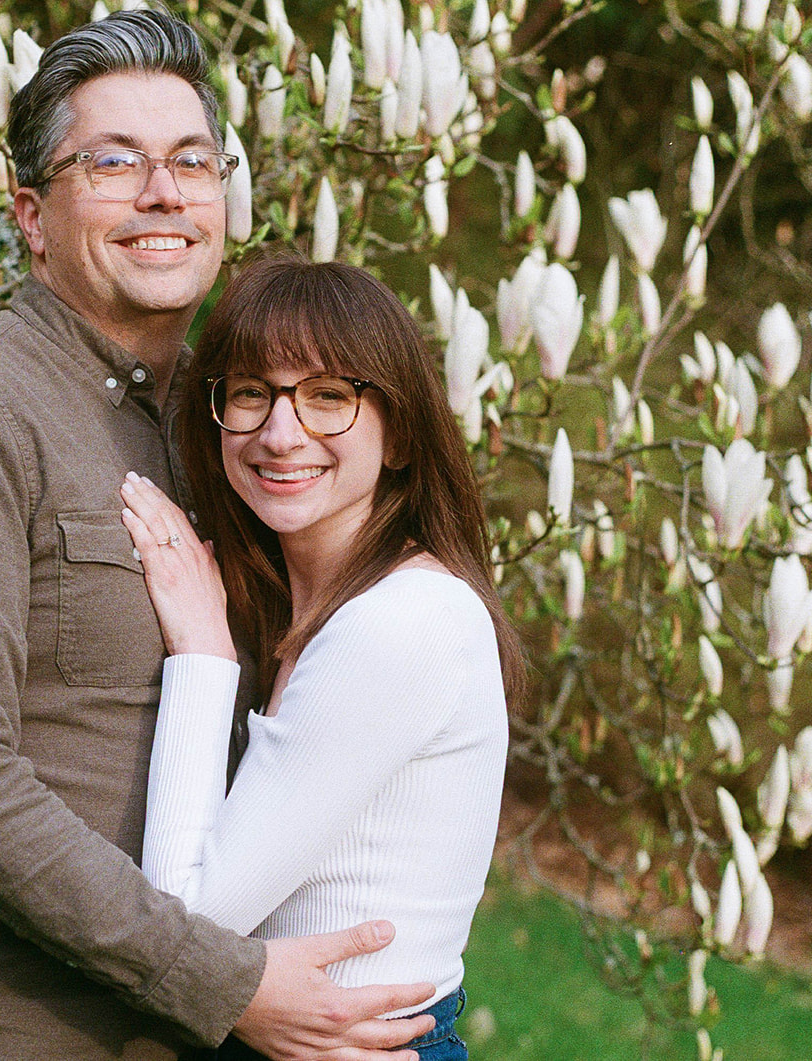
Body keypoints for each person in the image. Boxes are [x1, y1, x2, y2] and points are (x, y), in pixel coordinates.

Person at [0, 10, 439, 1061]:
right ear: (31, 213)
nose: (163, 192)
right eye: (112, 162)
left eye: (191, 161)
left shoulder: (235, 431)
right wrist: (224, 980)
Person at [117, 258, 525, 1060]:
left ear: (400, 431)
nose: (280, 430)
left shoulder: (401, 624)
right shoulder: (315, 604)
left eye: (328, 397)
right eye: (250, 392)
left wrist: (201, 649)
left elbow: (187, 920)